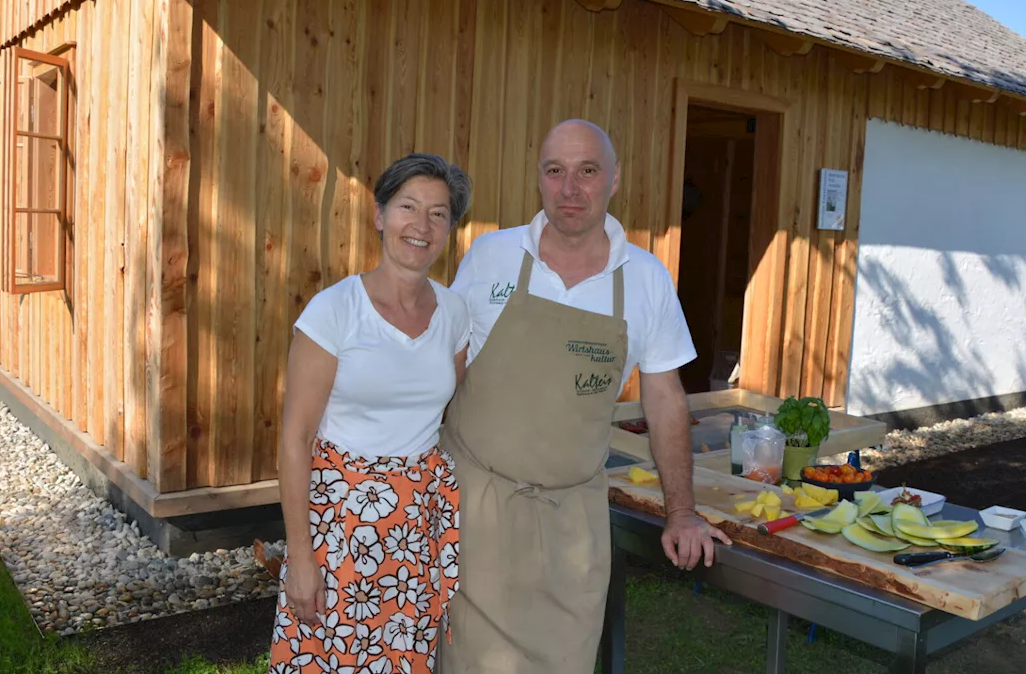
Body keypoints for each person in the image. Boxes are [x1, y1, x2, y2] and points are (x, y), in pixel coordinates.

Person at [439, 119, 733, 672]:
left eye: (587, 171)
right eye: (556, 171)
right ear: (539, 180)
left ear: (614, 180)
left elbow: (665, 399)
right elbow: (445, 371)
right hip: (474, 511)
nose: (570, 188)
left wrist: (683, 511)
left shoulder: (645, 278)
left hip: (572, 524)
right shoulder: (490, 256)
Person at [270, 153, 473, 673]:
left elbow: (451, 407)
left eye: (437, 213)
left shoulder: (454, 313)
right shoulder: (335, 311)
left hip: (415, 527)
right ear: (380, 215)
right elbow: (295, 438)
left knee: (403, 660)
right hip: (339, 526)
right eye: (407, 206)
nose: (420, 225)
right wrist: (300, 556)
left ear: (450, 228)